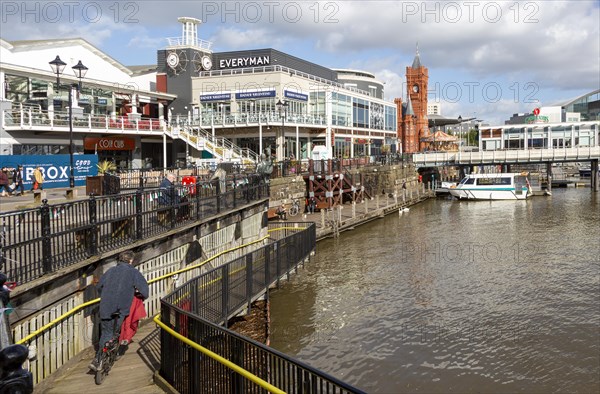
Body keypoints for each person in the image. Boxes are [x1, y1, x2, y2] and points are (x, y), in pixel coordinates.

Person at [89, 250, 149, 371]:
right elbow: (145, 291)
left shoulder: (110, 271)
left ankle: (98, 360)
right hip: (121, 308)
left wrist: (107, 295)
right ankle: (110, 354)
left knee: (106, 332)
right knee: (115, 332)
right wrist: (138, 294)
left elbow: (99, 287)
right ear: (130, 261)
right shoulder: (133, 272)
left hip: (106, 306)